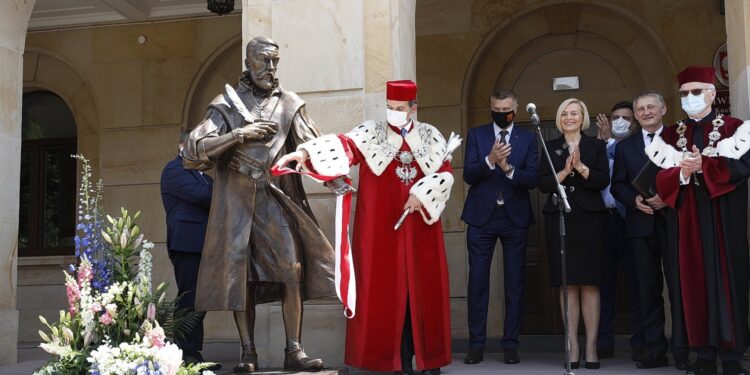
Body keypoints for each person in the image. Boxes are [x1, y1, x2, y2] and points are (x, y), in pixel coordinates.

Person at [276, 80, 456, 375]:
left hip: (421, 230)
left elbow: (446, 175)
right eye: (390, 107)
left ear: (413, 108)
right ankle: (390, 361)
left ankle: (425, 361)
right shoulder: (372, 133)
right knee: (386, 294)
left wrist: (422, 194)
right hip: (381, 231)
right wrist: (305, 154)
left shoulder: (430, 136)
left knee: (420, 296)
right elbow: (344, 146)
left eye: (399, 108)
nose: (393, 113)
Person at [181, 36, 335, 373]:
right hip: (237, 204)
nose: (271, 68)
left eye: (275, 61)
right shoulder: (225, 105)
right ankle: (247, 352)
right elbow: (192, 153)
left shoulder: (290, 104)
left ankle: (294, 350)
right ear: (249, 62)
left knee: (292, 270)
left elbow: (314, 147)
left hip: (276, 200)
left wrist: (333, 174)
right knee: (243, 277)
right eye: (264, 61)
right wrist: (239, 135)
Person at [645, 66, 750, 375]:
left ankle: (732, 356)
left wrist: (706, 166)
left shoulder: (736, 128)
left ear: (711, 93)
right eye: (684, 94)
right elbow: (658, 179)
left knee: (729, 281)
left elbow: (743, 167)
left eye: (695, 92)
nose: (689, 98)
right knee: (693, 284)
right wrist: (683, 171)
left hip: (723, 217)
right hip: (686, 220)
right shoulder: (668, 134)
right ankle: (702, 353)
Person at [611, 91, 690, 370]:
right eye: (641, 109)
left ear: (663, 109)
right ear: (636, 114)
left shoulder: (680, 138)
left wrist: (667, 196)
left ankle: (684, 351)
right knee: (648, 290)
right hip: (639, 225)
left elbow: (689, 178)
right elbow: (617, 185)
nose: (646, 112)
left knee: (680, 290)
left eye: (651, 107)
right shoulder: (625, 147)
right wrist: (633, 201)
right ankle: (654, 350)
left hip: (674, 223)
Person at [461, 88, 538, 365]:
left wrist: (508, 169)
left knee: (515, 284)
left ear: (515, 109)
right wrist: (490, 160)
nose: (501, 113)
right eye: (496, 109)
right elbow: (469, 174)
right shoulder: (478, 135)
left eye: (506, 109)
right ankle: (476, 346)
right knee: (478, 283)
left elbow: (532, 178)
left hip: (514, 218)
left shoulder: (527, 138)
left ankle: (510, 345)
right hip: (482, 218)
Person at [538, 98, 609, 370]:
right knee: (567, 283)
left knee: (590, 283)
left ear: (583, 118)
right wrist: (566, 170)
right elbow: (543, 184)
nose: (569, 117)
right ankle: (572, 345)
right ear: (559, 119)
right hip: (559, 219)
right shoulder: (549, 147)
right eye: (564, 113)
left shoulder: (596, 146)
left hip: (590, 220)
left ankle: (591, 346)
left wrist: (581, 167)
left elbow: (603, 180)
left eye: (574, 113)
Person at [159, 133, 220, 370]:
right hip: (187, 243)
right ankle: (185, 354)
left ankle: (194, 354)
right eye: (195, 145)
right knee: (190, 298)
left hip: (204, 244)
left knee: (200, 300)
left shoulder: (201, 175)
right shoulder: (174, 170)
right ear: (182, 146)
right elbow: (204, 196)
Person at [594, 102, 646, 362]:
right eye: (615, 117)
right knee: (604, 285)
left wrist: (611, 144)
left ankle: (640, 342)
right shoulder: (597, 147)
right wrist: (605, 144)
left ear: (634, 122)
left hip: (630, 220)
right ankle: (603, 342)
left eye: (626, 118)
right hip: (603, 222)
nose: (620, 122)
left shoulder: (640, 147)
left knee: (637, 284)